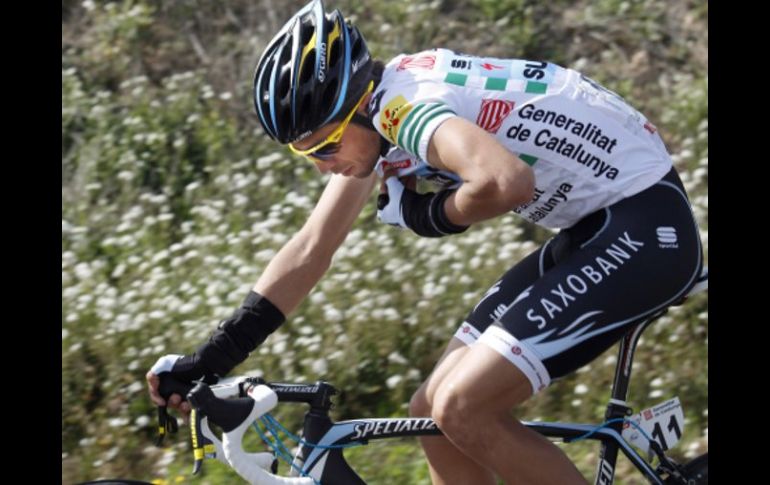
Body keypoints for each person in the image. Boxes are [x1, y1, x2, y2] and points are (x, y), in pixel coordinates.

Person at [147, 1, 703, 483]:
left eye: (323, 147)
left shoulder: (404, 106)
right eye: (304, 153)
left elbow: (506, 183)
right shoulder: (376, 115)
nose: (321, 167)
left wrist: (432, 214)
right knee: (432, 419)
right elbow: (312, 247)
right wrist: (213, 357)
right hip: (598, 228)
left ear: (353, 106)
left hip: (646, 229)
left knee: (462, 407)